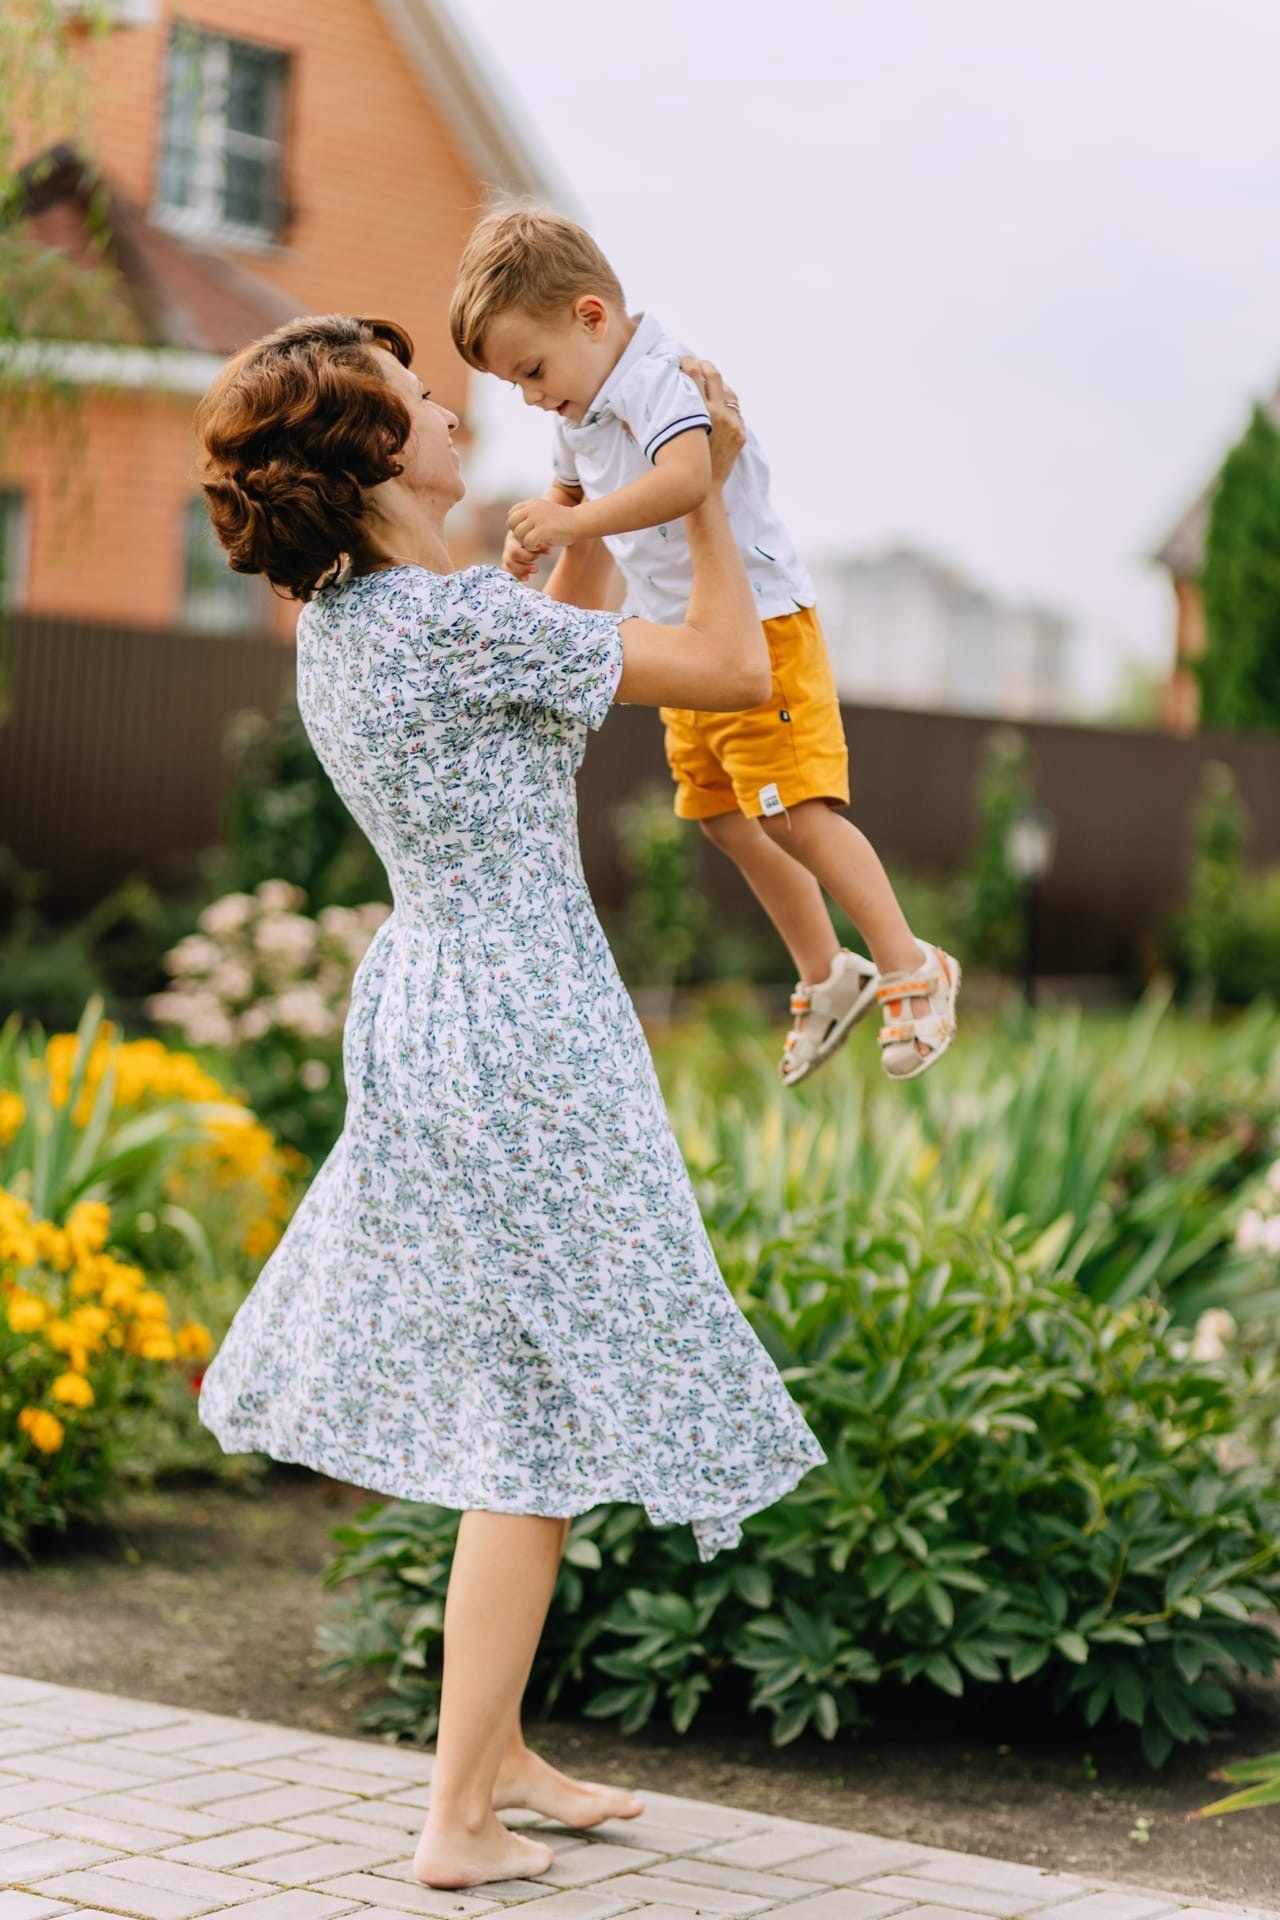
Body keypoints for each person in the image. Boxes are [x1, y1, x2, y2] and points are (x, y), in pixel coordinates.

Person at [192, 314, 826, 1893]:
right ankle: (458, 1820)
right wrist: (701, 492)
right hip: (521, 1025)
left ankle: (501, 1756)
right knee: (533, 1433)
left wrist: (593, 499)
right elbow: (737, 671)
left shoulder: (366, 621)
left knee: (514, 1397)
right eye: (424, 404)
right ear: (374, 461)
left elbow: (547, 658)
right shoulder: (456, 626)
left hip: (436, 1006)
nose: (457, 416)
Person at [450, 206, 961, 1085]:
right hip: (685, 637)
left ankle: (912, 962)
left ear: (591, 316)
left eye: (532, 370)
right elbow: (581, 538)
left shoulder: (661, 380)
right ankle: (827, 971)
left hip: (760, 623)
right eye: (515, 386)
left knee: (798, 811)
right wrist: (537, 551)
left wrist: (570, 517)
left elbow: (689, 480)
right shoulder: (576, 414)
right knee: (722, 816)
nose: (532, 396)